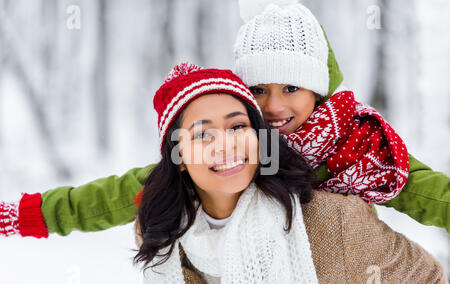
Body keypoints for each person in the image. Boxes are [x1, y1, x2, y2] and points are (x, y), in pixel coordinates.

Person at [0, 0, 448, 239]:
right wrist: (28, 215)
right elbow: (121, 194)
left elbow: (429, 193)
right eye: (258, 90)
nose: (273, 106)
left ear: (317, 91)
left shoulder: (357, 146)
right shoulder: (232, 146)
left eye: (291, 88)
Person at [134, 62, 449, 284]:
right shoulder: (163, 236)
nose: (226, 145)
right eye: (203, 134)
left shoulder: (334, 223)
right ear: (178, 158)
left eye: (237, 127)